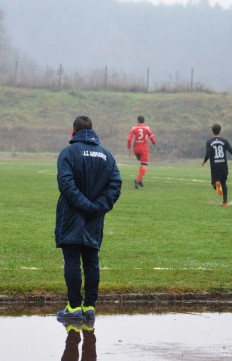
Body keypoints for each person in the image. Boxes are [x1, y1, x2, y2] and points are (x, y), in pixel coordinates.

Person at [55, 116, 122, 320]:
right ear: (92, 131)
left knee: (73, 260)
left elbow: (66, 184)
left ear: (73, 131)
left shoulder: (68, 153)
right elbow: (115, 184)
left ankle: (74, 308)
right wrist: (97, 207)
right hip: (95, 217)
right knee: (91, 261)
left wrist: (85, 205)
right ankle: (90, 307)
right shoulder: (106, 155)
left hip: (72, 216)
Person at [202, 123, 232, 207]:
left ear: (212, 131)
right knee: (224, 183)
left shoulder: (209, 142)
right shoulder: (224, 141)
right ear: (220, 131)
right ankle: (225, 203)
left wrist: (204, 161)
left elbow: (208, 154)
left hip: (215, 166)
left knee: (214, 182)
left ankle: (216, 185)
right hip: (223, 165)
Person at [127, 115, 156, 189]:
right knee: (145, 164)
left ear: (137, 121)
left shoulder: (134, 128)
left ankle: (140, 180)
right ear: (144, 121)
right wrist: (154, 142)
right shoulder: (147, 128)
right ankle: (138, 180)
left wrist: (129, 147)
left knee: (142, 163)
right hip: (144, 149)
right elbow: (152, 139)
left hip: (136, 149)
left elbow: (129, 139)